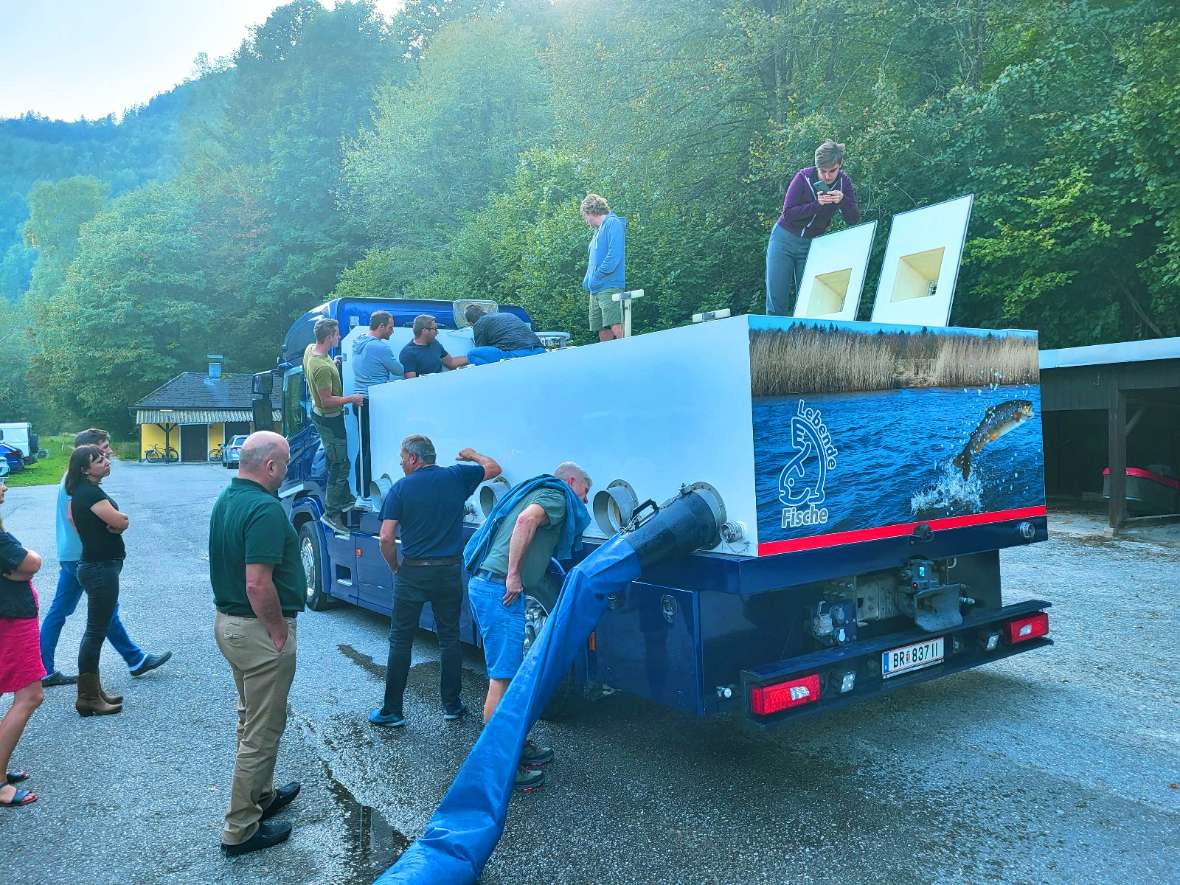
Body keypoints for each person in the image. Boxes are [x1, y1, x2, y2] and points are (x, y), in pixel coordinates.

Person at [461, 462, 593, 790]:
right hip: (499, 591)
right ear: (571, 481)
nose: (586, 500)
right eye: (585, 490)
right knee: (503, 680)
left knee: (513, 676)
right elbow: (525, 521)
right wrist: (514, 575)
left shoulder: (541, 492)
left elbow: (534, 538)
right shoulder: (557, 497)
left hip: (491, 588)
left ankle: (517, 745)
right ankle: (499, 766)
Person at [209, 432, 305, 857]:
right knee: (262, 732)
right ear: (270, 466)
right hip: (257, 629)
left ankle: (262, 796)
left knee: (251, 718)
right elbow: (257, 582)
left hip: (230, 626)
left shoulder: (228, 498)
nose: (285, 471)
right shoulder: (265, 508)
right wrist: (278, 631)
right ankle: (240, 829)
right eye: (284, 464)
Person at [369, 435, 501, 728]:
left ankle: (392, 711)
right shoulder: (457, 476)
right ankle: (452, 706)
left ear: (414, 459)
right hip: (448, 571)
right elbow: (494, 468)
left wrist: (394, 567)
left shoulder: (400, 489)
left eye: (403, 458)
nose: (401, 463)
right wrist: (473, 453)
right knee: (449, 639)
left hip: (413, 572)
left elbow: (387, 537)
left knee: (401, 640)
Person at [40, 428, 171, 687]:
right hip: (83, 556)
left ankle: (44, 669)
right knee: (102, 612)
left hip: (74, 554)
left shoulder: (73, 478)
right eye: (103, 450)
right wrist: (98, 539)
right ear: (86, 454)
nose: (109, 453)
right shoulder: (75, 483)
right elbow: (73, 516)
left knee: (64, 610)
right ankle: (134, 660)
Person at [65, 445, 130, 717]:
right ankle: (88, 697)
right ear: (84, 469)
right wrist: (119, 522)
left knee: (96, 631)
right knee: (94, 633)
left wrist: (114, 525)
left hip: (96, 566)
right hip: (100, 569)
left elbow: (75, 521)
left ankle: (94, 691)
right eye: (98, 460)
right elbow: (121, 520)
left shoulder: (81, 494)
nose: (105, 462)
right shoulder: (90, 493)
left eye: (104, 458)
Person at [765, 139, 860, 316]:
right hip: (783, 239)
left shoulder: (844, 184)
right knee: (777, 299)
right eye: (822, 171)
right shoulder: (803, 177)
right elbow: (788, 213)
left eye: (832, 171)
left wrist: (843, 201)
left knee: (808, 302)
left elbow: (853, 219)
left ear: (840, 165)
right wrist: (817, 205)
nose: (827, 176)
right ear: (816, 167)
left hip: (811, 246)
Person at [0, 479, 45, 808]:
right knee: (30, 696)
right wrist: (30, 560)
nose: (3, 486)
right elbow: (30, 564)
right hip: (11, 620)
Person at [303, 317, 364, 534]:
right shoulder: (321, 368)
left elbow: (322, 363)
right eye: (337, 334)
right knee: (340, 464)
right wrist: (352, 399)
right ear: (329, 337)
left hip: (320, 415)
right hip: (330, 419)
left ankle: (345, 498)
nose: (339, 337)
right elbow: (327, 400)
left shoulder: (311, 350)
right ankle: (331, 513)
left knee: (337, 460)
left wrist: (335, 363)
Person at [581, 193, 627, 342]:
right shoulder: (597, 231)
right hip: (595, 289)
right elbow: (593, 261)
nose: (586, 220)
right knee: (602, 329)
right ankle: (608, 360)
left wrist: (598, 275)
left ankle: (629, 354)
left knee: (615, 325)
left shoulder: (613, 223)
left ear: (590, 212)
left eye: (585, 216)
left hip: (610, 285)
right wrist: (588, 280)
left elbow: (614, 255)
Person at [464, 305, 545, 366]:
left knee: (472, 354)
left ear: (471, 323)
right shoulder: (507, 314)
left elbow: (481, 349)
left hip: (518, 354)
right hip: (539, 350)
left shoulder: (479, 324)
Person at [351, 310, 404, 396]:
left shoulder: (358, 342)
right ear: (381, 326)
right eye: (390, 327)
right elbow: (399, 371)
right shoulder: (380, 347)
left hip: (358, 399)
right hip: (373, 399)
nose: (392, 331)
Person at [400, 315, 468, 378]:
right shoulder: (408, 353)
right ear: (425, 331)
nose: (437, 332)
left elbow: (451, 362)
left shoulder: (435, 343)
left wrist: (471, 356)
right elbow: (411, 382)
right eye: (435, 329)